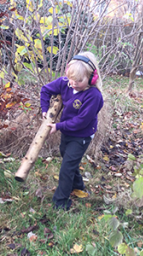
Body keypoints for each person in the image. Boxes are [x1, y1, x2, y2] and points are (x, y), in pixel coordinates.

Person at [39, 52, 104, 210]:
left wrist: (58, 126)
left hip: (82, 135)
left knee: (66, 168)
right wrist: (44, 109)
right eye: (71, 79)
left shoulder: (93, 96)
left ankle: (60, 203)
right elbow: (45, 90)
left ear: (91, 77)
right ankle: (78, 185)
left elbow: (81, 122)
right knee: (66, 155)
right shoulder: (65, 83)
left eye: (79, 80)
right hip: (68, 131)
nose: (73, 83)